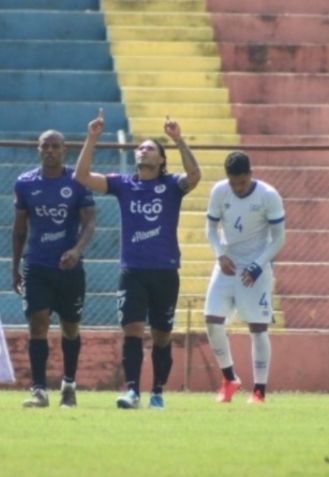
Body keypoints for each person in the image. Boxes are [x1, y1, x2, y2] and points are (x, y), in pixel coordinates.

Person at [74, 109, 201, 410]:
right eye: (140, 148)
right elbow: (81, 176)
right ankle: (132, 391)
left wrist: (179, 140)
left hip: (165, 270)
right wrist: (91, 138)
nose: (142, 151)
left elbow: (195, 176)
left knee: (161, 335)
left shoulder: (172, 186)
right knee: (131, 330)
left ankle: (157, 392)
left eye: (149, 148)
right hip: (132, 271)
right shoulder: (123, 184)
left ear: (160, 159)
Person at [12, 130, 96, 408]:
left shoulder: (78, 181)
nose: (50, 150)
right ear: (38, 150)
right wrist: (15, 267)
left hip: (69, 268)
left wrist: (76, 250)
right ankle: (38, 390)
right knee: (38, 323)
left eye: (55, 146)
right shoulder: (25, 183)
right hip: (36, 265)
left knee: (70, 327)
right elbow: (19, 229)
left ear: (65, 150)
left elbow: (89, 223)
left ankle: (68, 387)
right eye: (45, 146)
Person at [203, 151, 285, 405]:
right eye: (233, 183)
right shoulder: (220, 191)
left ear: (250, 174)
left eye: (242, 182)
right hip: (227, 265)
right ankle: (229, 379)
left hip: (255, 268)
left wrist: (258, 266)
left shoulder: (268, 196)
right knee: (211, 320)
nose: (238, 188)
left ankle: (259, 390)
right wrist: (220, 254)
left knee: (258, 330)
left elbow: (279, 238)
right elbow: (210, 229)